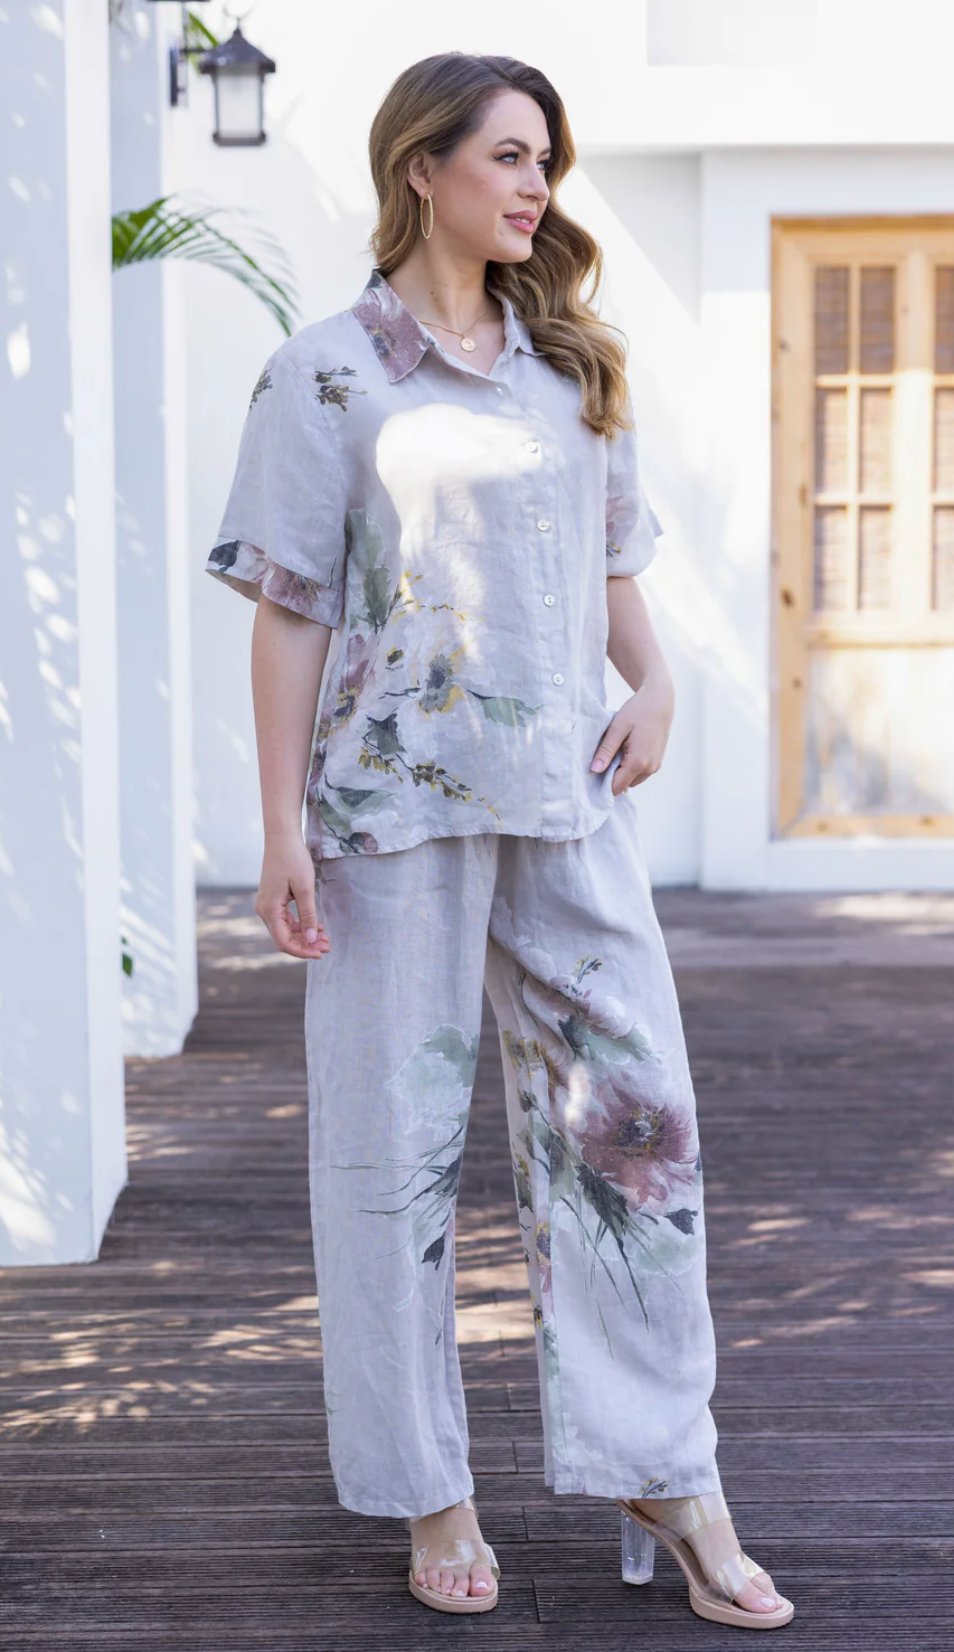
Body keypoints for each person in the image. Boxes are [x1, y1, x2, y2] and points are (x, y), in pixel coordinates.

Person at [205, 51, 794, 1631]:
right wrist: (279, 827)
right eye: (513, 156)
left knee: (636, 1137)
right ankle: (430, 1495)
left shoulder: (566, 365)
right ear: (423, 168)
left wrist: (656, 680)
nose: (538, 186)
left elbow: (611, 564)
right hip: (387, 819)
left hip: (563, 805)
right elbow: (286, 613)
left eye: (549, 162)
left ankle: (666, 1472)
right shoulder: (325, 373)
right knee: (388, 1166)